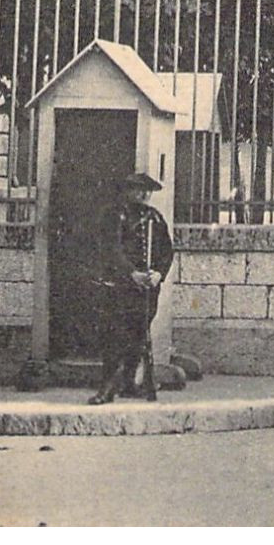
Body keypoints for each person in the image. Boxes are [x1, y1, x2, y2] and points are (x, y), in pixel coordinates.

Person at [89, 172, 174, 405]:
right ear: (127, 191)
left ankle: (130, 383)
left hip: (146, 288)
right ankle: (107, 388)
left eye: (148, 190)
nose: (144, 194)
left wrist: (158, 273)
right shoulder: (114, 216)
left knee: (139, 336)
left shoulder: (154, 218)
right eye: (138, 189)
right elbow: (111, 249)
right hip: (119, 287)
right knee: (114, 337)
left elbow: (166, 251)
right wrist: (130, 273)